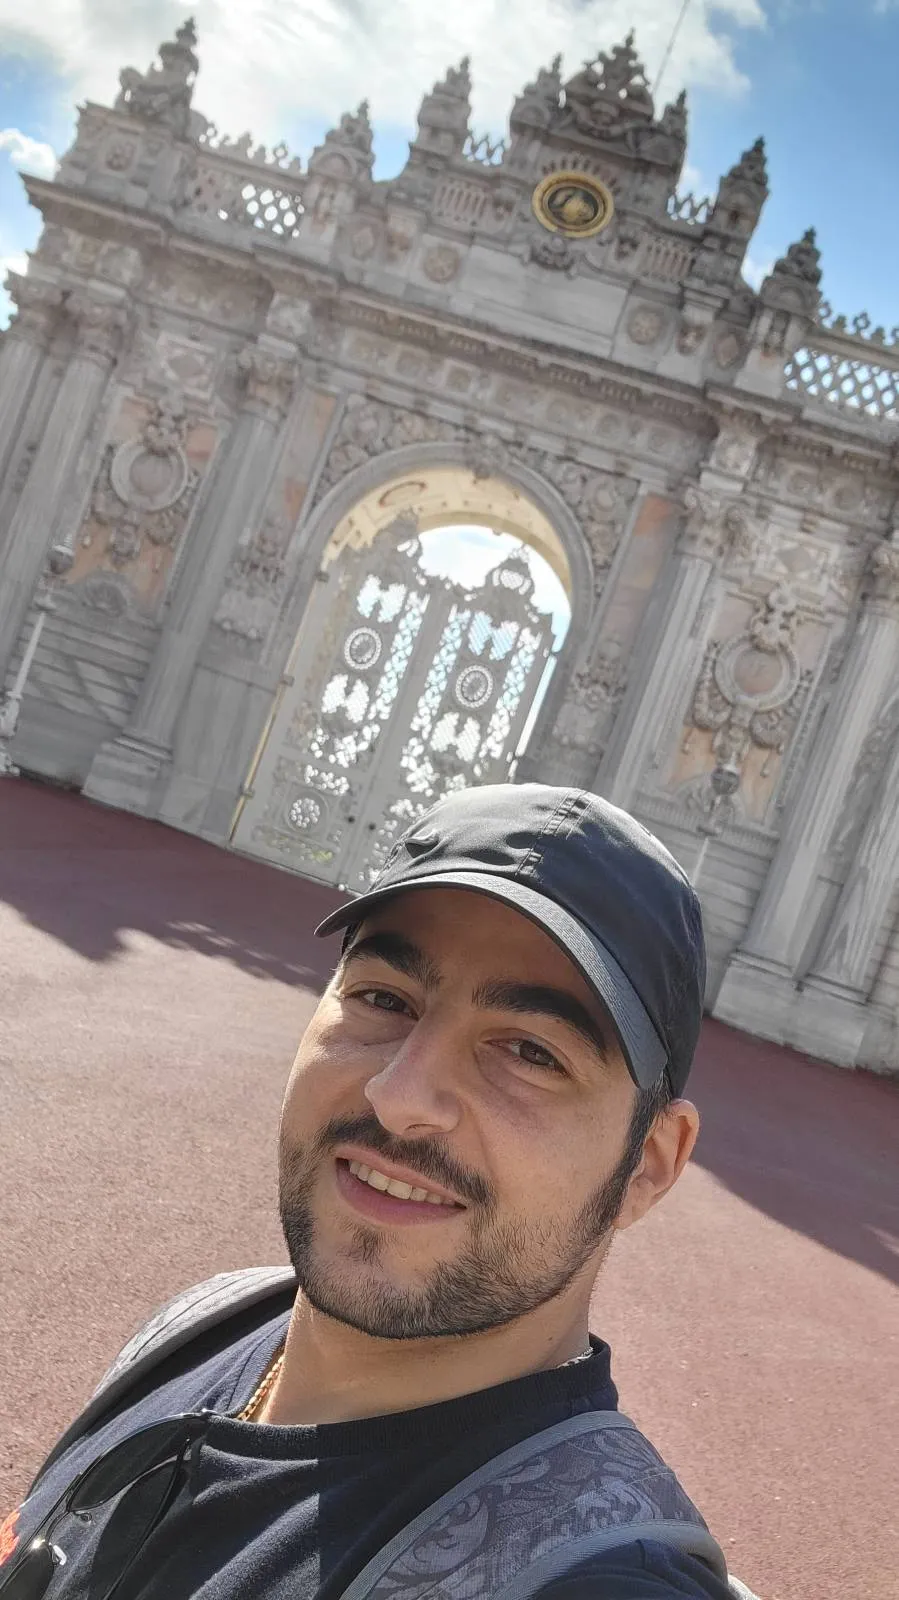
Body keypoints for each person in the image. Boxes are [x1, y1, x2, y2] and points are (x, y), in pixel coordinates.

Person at [1, 784, 747, 1599]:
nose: (401, 1095)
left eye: (530, 1052)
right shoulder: (200, 1324)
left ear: (648, 1163)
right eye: (384, 999)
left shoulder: (591, 1576)